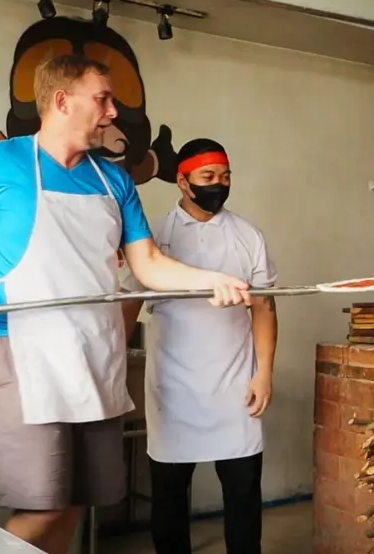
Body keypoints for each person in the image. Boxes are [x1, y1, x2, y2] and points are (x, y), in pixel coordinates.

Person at [0, 55, 251, 554]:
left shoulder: (114, 181)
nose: (113, 112)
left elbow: (148, 263)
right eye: (103, 98)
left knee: (76, 501)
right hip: (30, 357)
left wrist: (211, 280)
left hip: (97, 358)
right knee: (42, 504)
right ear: (62, 100)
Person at [121, 138, 278, 554]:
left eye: (225, 177)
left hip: (235, 385)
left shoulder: (248, 236)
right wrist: (114, 364)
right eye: (208, 177)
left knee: (243, 492)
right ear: (182, 182)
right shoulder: (153, 238)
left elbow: (264, 306)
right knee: (169, 494)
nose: (218, 185)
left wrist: (264, 373)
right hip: (173, 387)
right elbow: (127, 304)